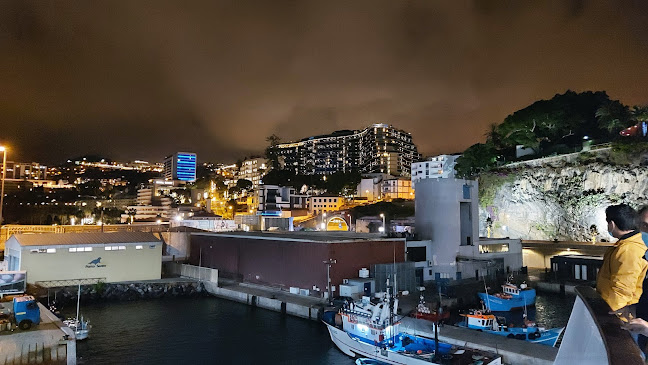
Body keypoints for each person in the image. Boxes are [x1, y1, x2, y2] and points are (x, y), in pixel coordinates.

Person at [596, 204, 648, 316]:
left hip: (620, 314)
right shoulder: (626, 245)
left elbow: (622, 290)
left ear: (612, 224)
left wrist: (610, 315)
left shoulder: (628, 249)